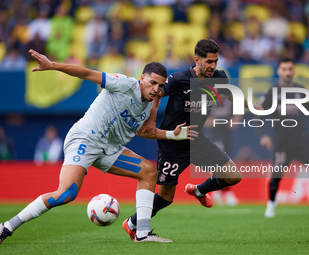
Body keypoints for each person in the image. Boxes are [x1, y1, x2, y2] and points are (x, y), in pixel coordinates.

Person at [0, 49, 199, 244]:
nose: (156, 89)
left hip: (109, 149)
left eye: (160, 86)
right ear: (142, 79)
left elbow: (145, 132)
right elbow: (86, 73)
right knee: (66, 194)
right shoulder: (123, 83)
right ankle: (7, 227)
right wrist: (52, 65)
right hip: (85, 140)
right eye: (152, 83)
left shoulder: (148, 105)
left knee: (148, 172)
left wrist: (172, 135)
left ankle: (143, 233)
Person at [123, 39, 262, 240]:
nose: (213, 66)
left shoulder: (219, 77)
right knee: (165, 197)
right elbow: (156, 94)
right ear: (197, 60)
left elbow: (230, 95)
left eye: (215, 61)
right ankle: (132, 223)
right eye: (209, 62)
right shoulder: (179, 79)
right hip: (173, 141)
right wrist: (152, 120)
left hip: (197, 139)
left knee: (233, 175)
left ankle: (198, 190)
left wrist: (251, 107)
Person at [259, 57, 309, 218]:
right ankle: (271, 205)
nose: (287, 72)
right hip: (282, 141)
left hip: (301, 139)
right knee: (277, 175)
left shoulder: (299, 90)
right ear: (279, 71)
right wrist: (263, 135)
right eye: (284, 69)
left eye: (290, 69)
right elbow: (259, 114)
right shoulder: (271, 92)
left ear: (294, 70)